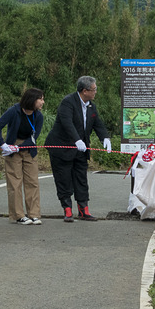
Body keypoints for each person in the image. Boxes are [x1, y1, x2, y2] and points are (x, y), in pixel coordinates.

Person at [45, 76, 111, 222]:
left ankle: (83, 210)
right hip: (62, 148)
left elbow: (97, 123)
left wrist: (105, 138)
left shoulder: (91, 106)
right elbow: (67, 123)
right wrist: (77, 140)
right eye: (94, 90)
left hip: (80, 150)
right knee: (64, 179)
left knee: (81, 178)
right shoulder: (68, 102)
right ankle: (67, 210)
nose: (95, 92)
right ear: (84, 90)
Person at [0, 88, 43, 225]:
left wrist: (20, 147)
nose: (42, 102)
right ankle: (18, 215)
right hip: (12, 148)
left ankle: (34, 214)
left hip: (29, 148)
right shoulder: (14, 111)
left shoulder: (39, 116)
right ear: (32, 100)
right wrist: (3, 144)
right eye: (41, 99)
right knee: (15, 182)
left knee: (32, 181)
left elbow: (34, 137)